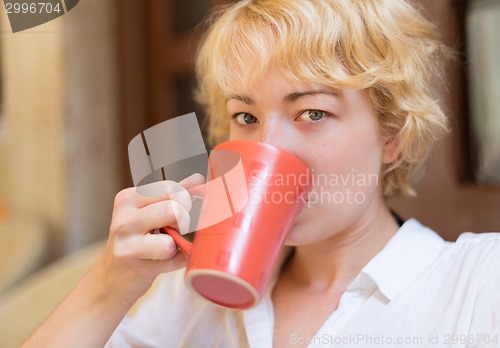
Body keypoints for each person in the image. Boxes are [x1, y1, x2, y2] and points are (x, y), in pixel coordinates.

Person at [24, 0, 500, 347]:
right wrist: (109, 285)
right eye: (246, 118)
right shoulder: (188, 297)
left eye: (312, 113)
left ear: (392, 134)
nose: (267, 148)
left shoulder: (476, 283)